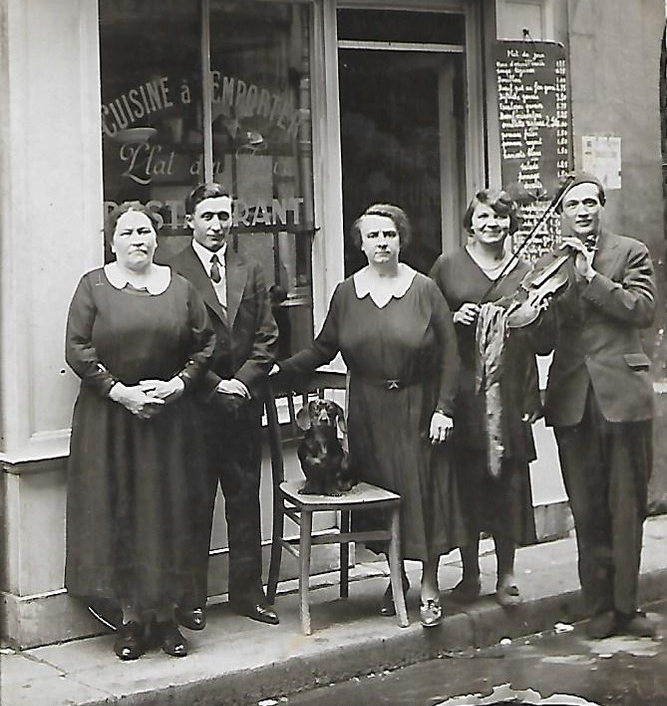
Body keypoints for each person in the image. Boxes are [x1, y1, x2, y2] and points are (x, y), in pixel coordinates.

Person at [275, 203, 463, 628]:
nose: (382, 243)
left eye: (390, 235)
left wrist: (443, 410)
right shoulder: (346, 293)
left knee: (422, 495)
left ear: (401, 240)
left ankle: (429, 584)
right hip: (367, 412)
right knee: (381, 495)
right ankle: (395, 581)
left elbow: (451, 356)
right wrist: (278, 369)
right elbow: (323, 348)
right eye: (373, 236)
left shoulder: (424, 290)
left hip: (417, 407)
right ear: (360, 243)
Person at [65, 202, 216, 661]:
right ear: (113, 240)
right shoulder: (93, 286)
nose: (138, 240)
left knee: (168, 513)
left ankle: (167, 619)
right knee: (122, 511)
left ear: (157, 237)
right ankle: (131, 621)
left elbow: (205, 342)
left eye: (146, 231)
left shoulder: (180, 288)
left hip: (169, 423)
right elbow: (76, 347)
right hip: (110, 422)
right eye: (128, 232)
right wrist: (119, 393)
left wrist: (178, 384)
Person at [531, 172, 657, 638]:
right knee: (586, 508)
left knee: (627, 506)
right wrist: (532, 314)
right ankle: (600, 606)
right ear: (561, 214)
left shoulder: (630, 252)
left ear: (601, 206)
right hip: (572, 401)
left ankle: (629, 606)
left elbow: (642, 311)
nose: (583, 211)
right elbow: (544, 343)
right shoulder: (548, 264)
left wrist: (592, 279)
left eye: (590, 202)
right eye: (572, 205)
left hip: (623, 397)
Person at [166, 184, 279, 627]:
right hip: (196, 406)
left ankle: (246, 594)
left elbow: (267, 337)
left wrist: (242, 384)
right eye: (207, 216)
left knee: (244, 498)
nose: (216, 226)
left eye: (223, 217)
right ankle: (191, 598)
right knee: (195, 502)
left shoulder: (249, 269)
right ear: (190, 219)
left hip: (242, 406)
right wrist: (215, 386)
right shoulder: (173, 272)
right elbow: (174, 343)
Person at [430, 189, 541, 607]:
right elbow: (429, 321)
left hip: (507, 388)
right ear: (470, 223)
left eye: (499, 217)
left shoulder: (524, 270)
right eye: (483, 217)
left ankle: (507, 574)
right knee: (467, 480)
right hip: (464, 387)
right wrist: (455, 318)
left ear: (509, 224)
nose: (492, 224)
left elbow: (537, 340)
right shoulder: (448, 266)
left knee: (507, 480)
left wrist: (526, 318)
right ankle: (471, 573)